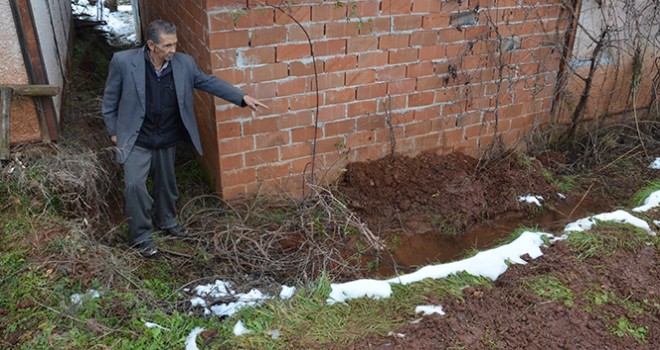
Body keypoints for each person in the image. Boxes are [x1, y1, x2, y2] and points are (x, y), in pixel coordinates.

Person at [102, 20, 267, 257]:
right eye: (167, 45)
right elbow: (110, 99)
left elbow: (208, 82)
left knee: (166, 183)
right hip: (137, 136)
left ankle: (167, 221)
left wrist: (241, 97)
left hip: (167, 134)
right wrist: (113, 131)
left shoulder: (184, 64)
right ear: (151, 45)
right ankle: (141, 236)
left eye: (175, 44)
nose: (173, 50)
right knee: (135, 186)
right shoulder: (124, 62)